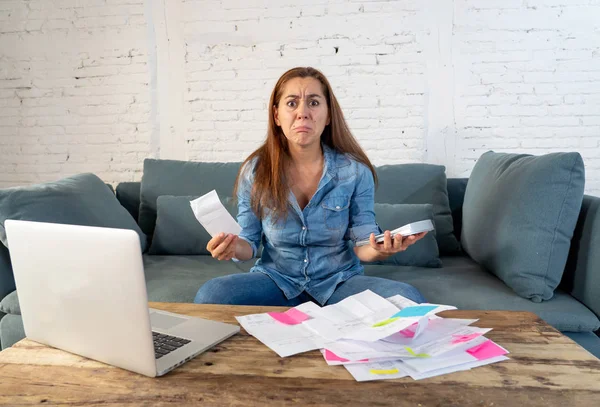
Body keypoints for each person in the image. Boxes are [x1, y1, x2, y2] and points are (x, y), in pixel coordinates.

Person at [194, 67, 427, 307]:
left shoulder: (355, 171)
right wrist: (232, 248)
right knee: (211, 295)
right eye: (292, 103)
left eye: (314, 103)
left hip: (339, 282)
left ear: (328, 116)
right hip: (276, 280)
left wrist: (382, 250)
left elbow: (362, 246)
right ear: (276, 115)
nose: (303, 113)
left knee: (408, 299)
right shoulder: (255, 170)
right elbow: (249, 244)